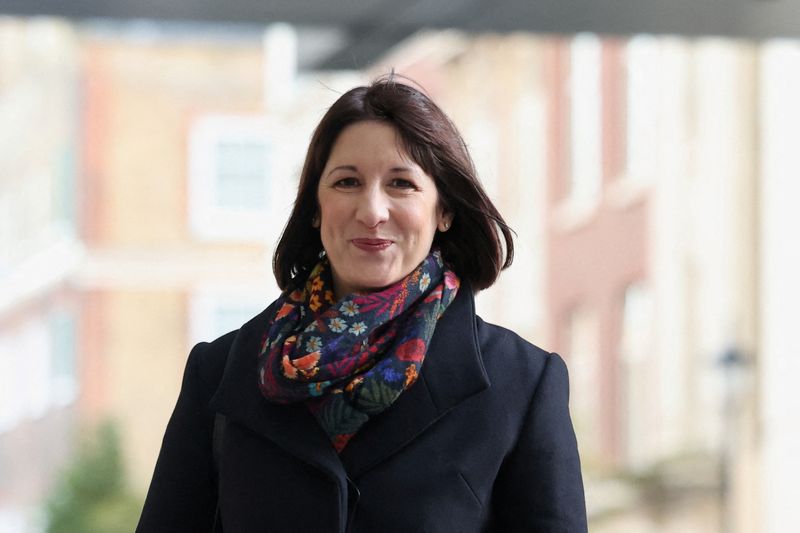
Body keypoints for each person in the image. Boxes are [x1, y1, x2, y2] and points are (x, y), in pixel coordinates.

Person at [137, 76, 587, 532]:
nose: (372, 211)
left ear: (444, 210)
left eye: (401, 184)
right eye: (347, 182)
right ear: (314, 207)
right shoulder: (219, 373)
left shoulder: (522, 385)